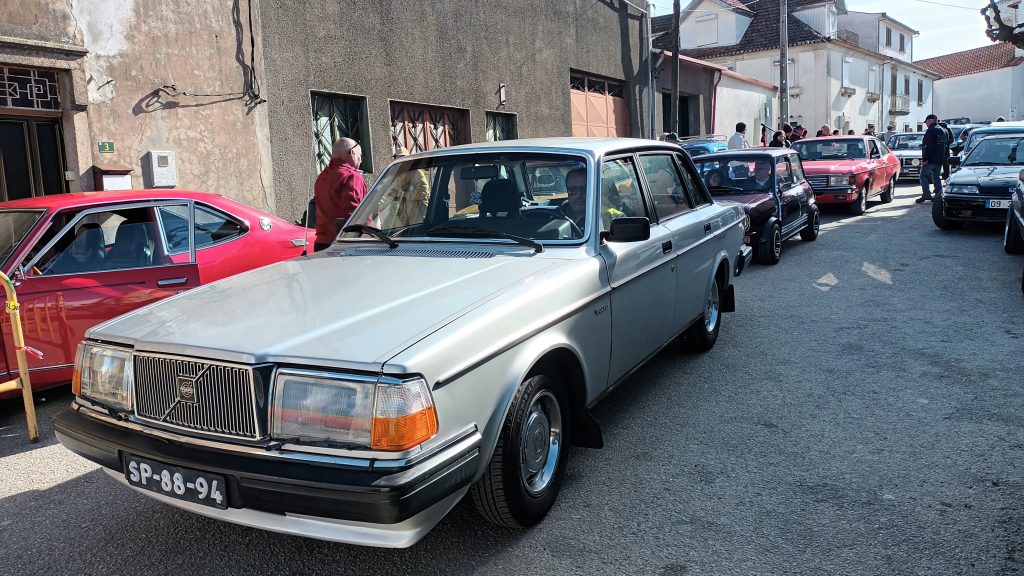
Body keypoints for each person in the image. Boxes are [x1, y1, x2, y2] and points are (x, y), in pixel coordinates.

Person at [313, 137, 367, 251]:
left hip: (321, 243)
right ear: (352, 153)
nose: (361, 160)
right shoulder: (352, 176)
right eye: (360, 155)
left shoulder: (322, 177)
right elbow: (353, 215)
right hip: (345, 244)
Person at [377, 146, 429, 230]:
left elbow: (423, 193)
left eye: (402, 159)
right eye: (398, 159)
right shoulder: (396, 175)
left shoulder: (417, 173)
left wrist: (404, 194)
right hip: (401, 217)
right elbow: (389, 194)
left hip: (416, 215)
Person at [917, 114, 947, 203]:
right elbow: (946, 145)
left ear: (930, 121)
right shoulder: (943, 130)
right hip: (940, 159)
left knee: (923, 176)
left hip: (930, 159)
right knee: (936, 177)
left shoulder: (931, 131)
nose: (926, 124)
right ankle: (939, 195)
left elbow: (927, 146)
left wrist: (925, 159)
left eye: (926, 122)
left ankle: (926, 194)